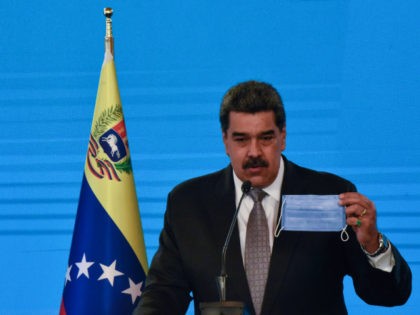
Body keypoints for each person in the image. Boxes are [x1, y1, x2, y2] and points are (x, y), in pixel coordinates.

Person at [134, 81, 412, 314]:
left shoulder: (331, 194)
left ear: (283, 137)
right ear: (225, 141)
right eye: (242, 139)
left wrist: (373, 244)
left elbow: (387, 295)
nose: (254, 151)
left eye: (265, 138)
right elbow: (165, 292)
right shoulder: (189, 203)